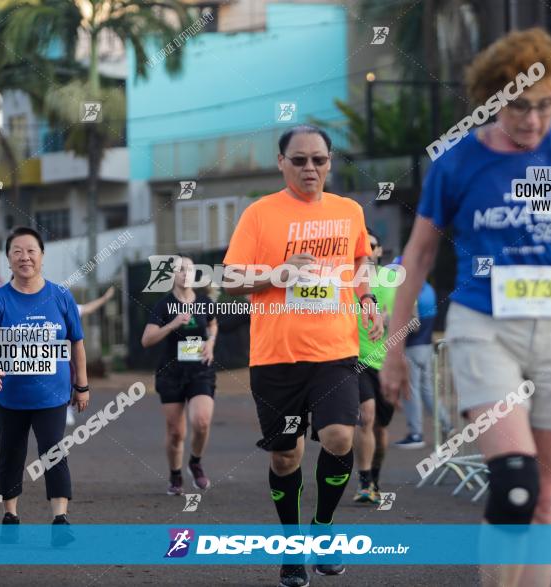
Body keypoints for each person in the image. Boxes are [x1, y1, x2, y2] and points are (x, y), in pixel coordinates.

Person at [380, 28, 551, 587]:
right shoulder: (457, 162)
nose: (533, 120)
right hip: (484, 329)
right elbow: (420, 254)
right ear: (494, 98)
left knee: (548, 497)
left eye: (546, 106)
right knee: (516, 482)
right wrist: (394, 348)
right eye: (520, 106)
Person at [223, 125, 382, 587]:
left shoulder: (349, 211)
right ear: (281, 163)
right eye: (299, 160)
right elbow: (230, 280)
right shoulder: (259, 215)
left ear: (331, 162)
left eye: (318, 159)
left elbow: (359, 264)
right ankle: (292, 549)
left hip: (335, 352)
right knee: (285, 457)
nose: (310, 168)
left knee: (338, 437)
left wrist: (367, 301)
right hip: (277, 360)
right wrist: (277, 273)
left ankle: (324, 529)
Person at [0, 226, 88, 528]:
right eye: (17, 251)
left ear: (41, 256)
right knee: (11, 452)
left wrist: (82, 386)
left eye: (31, 251)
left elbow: (77, 342)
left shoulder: (61, 296)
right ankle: (10, 513)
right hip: (9, 394)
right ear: (8, 259)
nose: (24, 257)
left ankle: (60, 517)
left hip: (52, 395)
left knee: (53, 450)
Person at [141, 256, 216, 495]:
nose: (185, 273)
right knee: (176, 432)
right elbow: (146, 340)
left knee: (201, 421)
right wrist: (172, 324)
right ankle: (175, 475)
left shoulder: (205, 302)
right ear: (172, 275)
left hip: (200, 371)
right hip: (171, 374)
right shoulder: (163, 305)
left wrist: (211, 342)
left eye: (189, 269)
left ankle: (195, 462)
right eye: (180, 270)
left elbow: (213, 324)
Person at [352, 228, 399, 505]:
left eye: (371, 246)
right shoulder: (347, 280)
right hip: (356, 359)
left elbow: (413, 316)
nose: (367, 251)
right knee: (365, 417)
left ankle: (376, 476)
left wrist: (387, 316)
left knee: (381, 428)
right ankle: (365, 481)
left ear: (379, 252)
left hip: (386, 361)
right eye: (362, 246)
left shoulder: (393, 278)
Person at [391, 259, 449, 448]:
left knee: (411, 392)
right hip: (426, 347)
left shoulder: (410, 290)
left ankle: (415, 434)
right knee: (427, 391)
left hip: (413, 348)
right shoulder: (427, 288)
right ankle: (447, 424)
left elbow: (413, 324)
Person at [64, 285, 117, 426]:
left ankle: (67, 409)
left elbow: (87, 308)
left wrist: (105, 298)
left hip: (62, 358)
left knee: (68, 380)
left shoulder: (62, 305)